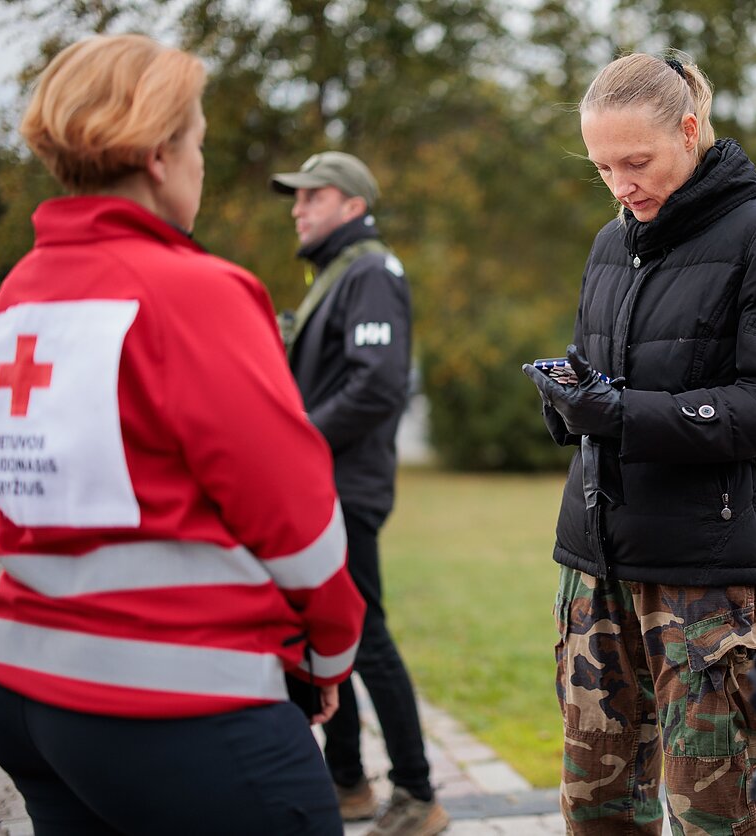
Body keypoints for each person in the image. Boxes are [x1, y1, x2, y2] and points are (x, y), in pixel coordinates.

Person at [0, 34, 365, 835]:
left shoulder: (18, 293)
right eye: (199, 144)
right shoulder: (196, 291)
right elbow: (295, 521)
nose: (200, 164)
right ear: (159, 152)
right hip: (171, 694)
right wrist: (328, 654)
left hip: (20, 683)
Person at [523, 51, 756, 835]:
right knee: (597, 815)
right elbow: (607, 385)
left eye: (637, 161)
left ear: (689, 132)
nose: (621, 183)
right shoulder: (608, 242)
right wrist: (569, 403)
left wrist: (621, 412)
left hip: (707, 589)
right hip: (592, 575)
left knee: (723, 818)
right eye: (603, 167)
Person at [269, 152, 447, 836]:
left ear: (350, 204)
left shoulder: (372, 271)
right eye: (297, 198)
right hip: (321, 487)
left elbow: (377, 385)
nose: (298, 208)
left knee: (364, 637)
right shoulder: (338, 274)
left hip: (343, 488)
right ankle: (347, 784)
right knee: (327, 636)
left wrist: (296, 441)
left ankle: (417, 796)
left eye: (312, 197)